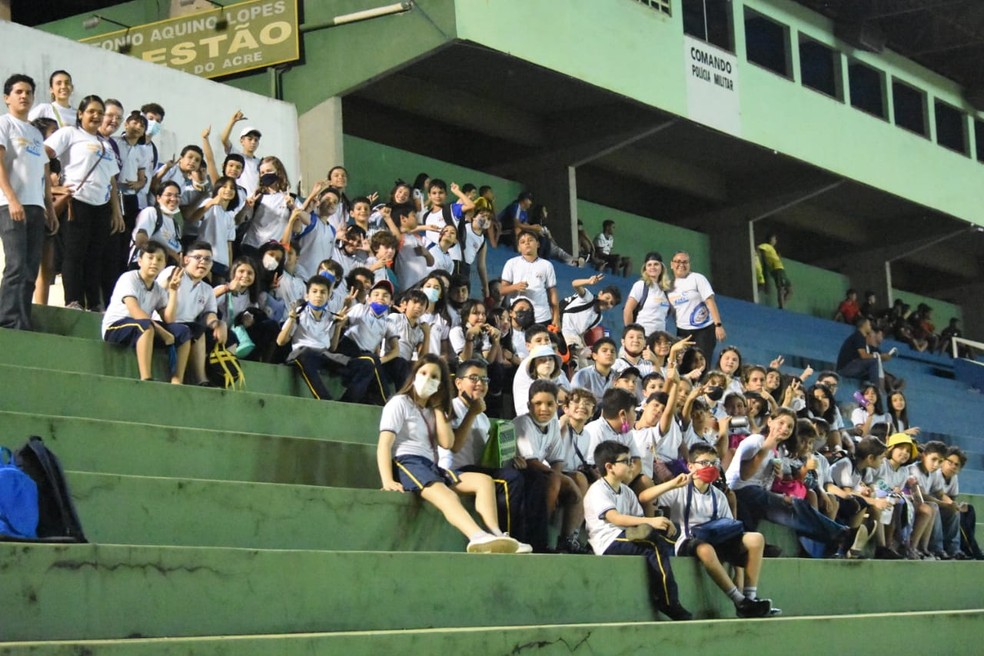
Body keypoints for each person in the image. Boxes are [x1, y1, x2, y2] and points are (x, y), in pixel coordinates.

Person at [376, 354, 523, 554]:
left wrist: (438, 407)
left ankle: (496, 534)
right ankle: (476, 536)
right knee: (446, 494)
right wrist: (387, 480)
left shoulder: (434, 410)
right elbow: (385, 444)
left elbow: (447, 443)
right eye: (424, 373)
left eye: (435, 377)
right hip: (408, 462)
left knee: (483, 481)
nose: (428, 379)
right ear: (414, 375)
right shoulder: (400, 402)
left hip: (431, 466)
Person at [649, 443, 779, 617]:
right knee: (705, 549)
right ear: (690, 466)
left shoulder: (719, 495)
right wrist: (672, 483)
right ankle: (739, 601)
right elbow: (645, 497)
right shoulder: (679, 490)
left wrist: (738, 573)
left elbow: (731, 531)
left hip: (718, 539)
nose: (709, 467)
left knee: (756, 538)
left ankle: (750, 598)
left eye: (713, 463)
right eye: (703, 463)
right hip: (688, 541)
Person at [583, 440, 692, 621]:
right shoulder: (598, 490)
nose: (631, 465)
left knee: (667, 537)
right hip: (607, 541)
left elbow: (638, 521)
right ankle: (668, 601)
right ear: (609, 466)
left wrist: (660, 525)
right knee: (654, 544)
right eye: (625, 461)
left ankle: (667, 595)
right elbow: (615, 518)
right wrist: (651, 521)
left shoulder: (626, 491)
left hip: (627, 535)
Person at [442, 359, 541, 552]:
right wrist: (471, 413)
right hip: (453, 471)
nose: (480, 383)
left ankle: (538, 541)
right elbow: (453, 446)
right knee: (509, 480)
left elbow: (484, 457)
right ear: (458, 383)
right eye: (473, 378)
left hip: (475, 469)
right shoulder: (450, 408)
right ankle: (508, 537)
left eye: (484, 379)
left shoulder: (483, 416)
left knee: (534, 477)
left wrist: (510, 460)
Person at [724, 408, 849, 553]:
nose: (785, 428)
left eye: (790, 426)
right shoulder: (756, 441)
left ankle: (836, 539)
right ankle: (841, 534)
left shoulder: (779, 450)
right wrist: (766, 447)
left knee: (794, 505)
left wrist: (779, 476)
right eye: (781, 423)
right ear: (770, 421)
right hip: (739, 491)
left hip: (757, 496)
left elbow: (767, 482)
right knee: (791, 505)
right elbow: (745, 475)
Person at [44, 94, 124, 310]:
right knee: (75, 254)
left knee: (95, 256)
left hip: (101, 207)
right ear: (80, 114)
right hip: (77, 202)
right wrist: (53, 186)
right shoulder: (70, 133)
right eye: (91, 112)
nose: (96, 116)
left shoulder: (105, 144)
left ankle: (94, 303)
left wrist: (115, 211)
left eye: (100, 113)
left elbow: (111, 180)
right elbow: (43, 155)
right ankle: (73, 300)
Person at [0, 74, 57, 330]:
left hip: (36, 207)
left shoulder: (35, 132)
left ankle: (22, 320)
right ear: (7, 98)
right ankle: (8, 320)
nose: (24, 96)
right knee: (16, 264)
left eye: (29, 92)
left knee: (31, 267)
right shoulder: (4, 125)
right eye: (19, 92)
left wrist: (50, 208)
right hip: (11, 204)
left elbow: (43, 173)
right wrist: (12, 198)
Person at [101, 241, 190, 384]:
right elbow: (135, 312)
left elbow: (169, 319)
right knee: (146, 326)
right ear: (140, 260)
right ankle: (146, 378)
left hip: (142, 327)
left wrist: (173, 291)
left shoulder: (158, 290)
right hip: (116, 327)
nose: (155, 262)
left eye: (160, 259)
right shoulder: (129, 278)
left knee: (183, 331)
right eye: (150, 257)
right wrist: (162, 333)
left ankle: (176, 379)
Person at [513, 380, 586, 553]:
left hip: (542, 471)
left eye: (549, 404)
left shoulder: (553, 424)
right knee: (554, 479)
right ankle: (540, 538)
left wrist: (561, 479)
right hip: (523, 471)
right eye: (538, 403)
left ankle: (568, 539)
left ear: (556, 405)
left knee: (579, 478)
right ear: (529, 405)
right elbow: (530, 461)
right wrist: (559, 479)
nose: (544, 408)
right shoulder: (522, 423)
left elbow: (557, 459)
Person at [157, 241, 228, 386]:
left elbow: (210, 314)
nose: (203, 262)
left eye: (207, 259)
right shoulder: (173, 272)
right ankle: (198, 378)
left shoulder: (207, 289)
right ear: (185, 259)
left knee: (230, 337)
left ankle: (222, 378)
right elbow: (156, 294)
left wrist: (219, 324)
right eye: (198, 257)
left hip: (188, 328)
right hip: (162, 323)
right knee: (194, 330)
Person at [668, 251, 725, 360]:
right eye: (678, 261)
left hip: (703, 330)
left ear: (689, 264)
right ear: (671, 264)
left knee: (701, 360)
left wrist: (718, 325)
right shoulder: (669, 286)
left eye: (685, 262)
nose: (681, 264)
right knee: (684, 362)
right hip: (683, 331)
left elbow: (710, 301)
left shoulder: (697, 278)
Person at [500, 230, 559, 327]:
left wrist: (556, 316)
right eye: (522, 242)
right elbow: (502, 290)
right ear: (519, 248)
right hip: (519, 316)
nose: (527, 243)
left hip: (542, 316)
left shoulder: (547, 265)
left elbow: (552, 291)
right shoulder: (511, 263)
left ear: (538, 244)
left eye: (530, 240)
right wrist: (515, 287)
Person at [561, 273, 621, 368]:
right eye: (607, 298)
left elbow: (581, 334)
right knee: (574, 363)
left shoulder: (598, 318)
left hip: (575, 338)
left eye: (611, 303)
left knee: (585, 367)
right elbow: (575, 283)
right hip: (565, 332)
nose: (607, 302)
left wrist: (586, 348)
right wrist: (588, 281)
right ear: (600, 294)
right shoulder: (588, 298)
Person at [835, 317, 899, 388]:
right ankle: (876, 389)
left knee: (874, 371)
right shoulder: (858, 336)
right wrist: (879, 357)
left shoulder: (860, 338)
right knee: (874, 362)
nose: (870, 326)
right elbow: (863, 356)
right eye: (869, 324)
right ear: (864, 325)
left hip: (850, 368)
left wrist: (881, 357)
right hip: (845, 369)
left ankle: (887, 389)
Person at [623, 252, 672, 337]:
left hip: (659, 339)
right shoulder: (640, 285)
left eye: (656, 264)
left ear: (662, 267)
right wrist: (630, 334)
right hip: (643, 336)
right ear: (645, 268)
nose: (652, 267)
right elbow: (628, 310)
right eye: (649, 265)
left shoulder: (665, 290)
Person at [220, 111, 261, 196]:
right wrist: (232, 121)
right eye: (250, 139)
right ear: (242, 141)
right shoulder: (236, 156)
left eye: (256, 140)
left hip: (253, 203)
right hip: (238, 197)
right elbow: (224, 139)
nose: (253, 142)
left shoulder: (260, 162)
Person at [757, 232, 791, 309]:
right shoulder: (767, 246)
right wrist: (758, 257)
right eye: (774, 238)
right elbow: (759, 248)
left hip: (781, 269)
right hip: (776, 269)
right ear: (771, 239)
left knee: (790, 289)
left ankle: (782, 304)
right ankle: (781, 307)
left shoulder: (773, 249)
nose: (775, 240)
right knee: (781, 288)